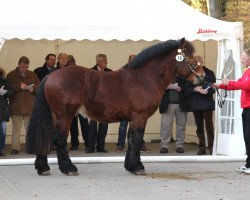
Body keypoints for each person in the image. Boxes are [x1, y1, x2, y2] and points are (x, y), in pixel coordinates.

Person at [213, 49, 250, 173]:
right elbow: (238, 84)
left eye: (244, 58)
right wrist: (221, 85)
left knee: (249, 137)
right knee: (247, 137)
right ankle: (248, 164)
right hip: (246, 109)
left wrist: (229, 82)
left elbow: (246, 85)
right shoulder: (247, 72)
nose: (242, 60)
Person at [116, 54, 150, 153]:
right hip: (125, 103)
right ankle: (120, 145)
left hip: (137, 103)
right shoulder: (122, 72)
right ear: (129, 61)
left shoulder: (142, 73)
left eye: (136, 60)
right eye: (132, 60)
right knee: (123, 125)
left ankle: (140, 144)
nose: (134, 61)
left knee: (139, 124)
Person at [6, 56, 40, 155]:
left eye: (26, 67)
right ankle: (15, 148)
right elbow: (7, 88)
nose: (24, 69)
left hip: (30, 106)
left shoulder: (33, 75)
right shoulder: (11, 75)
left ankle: (30, 147)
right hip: (16, 106)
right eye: (22, 67)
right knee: (16, 129)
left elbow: (39, 87)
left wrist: (32, 89)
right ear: (18, 65)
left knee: (30, 129)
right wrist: (18, 87)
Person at [186, 56, 216, 155]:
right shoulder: (190, 74)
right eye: (196, 62)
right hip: (196, 104)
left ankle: (211, 147)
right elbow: (186, 89)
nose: (198, 63)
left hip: (207, 104)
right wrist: (195, 89)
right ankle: (202, 147)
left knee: (209, 127)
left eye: (199, 62)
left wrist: (205, 91)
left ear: (202, 62)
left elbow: (213, 88)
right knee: (199, 127)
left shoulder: (209, 73)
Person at [85, 54, 112, 153]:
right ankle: (90, 147)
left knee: (104, 125)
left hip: (105, 104)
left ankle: (101, 146)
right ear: (98, 62)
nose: (106, 62)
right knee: (92, 125)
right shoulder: (90, 72)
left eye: (106, 60)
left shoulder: (110, 72)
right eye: (104, 60)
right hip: (93, 103)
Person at [159, 76, 191, 154]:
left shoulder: (184, 76)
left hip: (181, 104)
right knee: (165, 126)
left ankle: (180, 145)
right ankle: (164, 146)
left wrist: (181, 88)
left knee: (181, 126)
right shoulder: (164, 76)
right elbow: (157, 87)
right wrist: (166, 87)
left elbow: (189, 88)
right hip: (167, 104)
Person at [66, 55, 89, 151]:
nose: (71, 64)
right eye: (69, 63)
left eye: (72, 62)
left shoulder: (81, 72)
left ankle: (88, 143)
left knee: (84, 125)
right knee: (73, 126)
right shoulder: (66, 74)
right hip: (71, 103)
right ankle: (74, 144)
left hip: (81, 103)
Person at [0, 67, 14, 156]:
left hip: (2, 110)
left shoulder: (4, 81)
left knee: (3, 130)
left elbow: (11, 92)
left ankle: (1, 149)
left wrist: (4, 92)